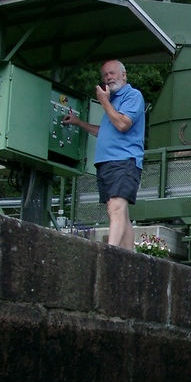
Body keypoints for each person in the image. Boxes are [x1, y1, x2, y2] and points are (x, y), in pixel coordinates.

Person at [62, 60, 145, 250]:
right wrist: (78, 122)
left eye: (112, 73)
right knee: (119, 211)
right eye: (105, 75)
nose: (108, 78)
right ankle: (129, 256)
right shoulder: (112, 101)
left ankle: (109, 252)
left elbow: (123, 124)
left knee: (116, 207)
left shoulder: (132, 95)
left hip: (124, 160)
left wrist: (104, 101)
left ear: (124, 75)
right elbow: (105, 131)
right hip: (107, 162)